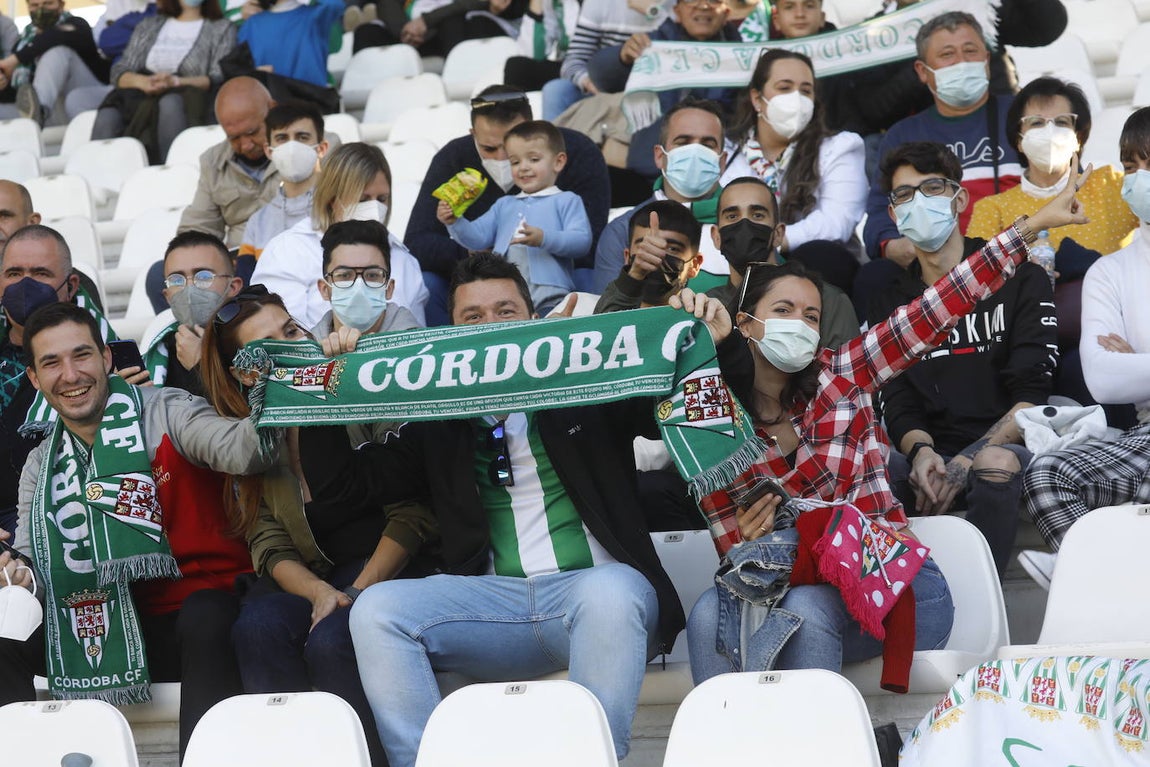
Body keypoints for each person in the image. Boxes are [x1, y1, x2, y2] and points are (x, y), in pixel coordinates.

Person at [285, 253, 752, 767]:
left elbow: (696, 401)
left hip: (595, 598)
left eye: (505, 312)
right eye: (472, 319)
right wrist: (321, 391)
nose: (490, 329)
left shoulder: (588, 388)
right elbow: (344, 488)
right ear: (450, 333)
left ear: (533, 320)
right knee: (376, 611)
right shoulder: (438, 419)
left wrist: (721, 345)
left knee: (613, 591)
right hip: (491, 608)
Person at [686, 152, 1091, 685]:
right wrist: (691, 344)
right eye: (783, 312)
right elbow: (740, 556)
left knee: (803, 607)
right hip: (790, 586)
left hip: (904, 584)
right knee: (708, 614)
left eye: (812, 316)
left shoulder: (843, 373)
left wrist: (1031, 225)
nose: (802, 325)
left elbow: (942, 303)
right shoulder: (715, 416)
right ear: (745, 324)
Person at [2, 300, 274, 758]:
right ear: (34, 379)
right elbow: (36, 569)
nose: (70, 375)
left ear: (107, 358)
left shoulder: (168, 409)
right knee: (4, 635)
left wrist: (272, 386)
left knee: (205, 614)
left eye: (82, 355)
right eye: (51, 363)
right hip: (98, 625)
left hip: (199, 609)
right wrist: (17, 573)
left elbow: (242, 452)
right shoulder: (39, 462)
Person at [199, 283, 433, 767]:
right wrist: (321, 595)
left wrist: (356, 591)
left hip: (385, 566)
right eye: (271, 346)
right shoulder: (254, 431)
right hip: (315, 576)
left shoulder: (351, 383)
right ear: (247, 374)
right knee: (257, 627)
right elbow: (267, 540)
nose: (293, 347)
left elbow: (414, 512)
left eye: (292, 330)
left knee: (333, 640)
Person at [867, 141, 1057, 577]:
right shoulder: (889, 302)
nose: (918, 203)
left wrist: (968, 458)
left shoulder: (1019, 277)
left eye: (931, 188)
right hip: (927, 453)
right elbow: (895, 398)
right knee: (870, 469)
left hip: (1008, 443)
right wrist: (921, 454)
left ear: (959, 198)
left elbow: (1032, 390)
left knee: (994, 465)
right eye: (904, 195)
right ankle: (909, 597)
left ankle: (980, 595)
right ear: (893, 215)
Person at [1019, 107, 1150, 588]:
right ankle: (1103, 581)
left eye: (1149, 163)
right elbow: (1103, 379)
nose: (1139, 179)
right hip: (1144, 435)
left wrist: (1136, 356)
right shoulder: (1108, 273)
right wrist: (1124, 365)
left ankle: (1082, 574)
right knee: (1047, 474)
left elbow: (1124, 372)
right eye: (1131, 167)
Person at [405, 84, 610, 325]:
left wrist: (544, 238)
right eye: (489, 148)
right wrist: (472, 249)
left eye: (515, 148)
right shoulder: (454, 157)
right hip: (481, 283)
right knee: (428, 284)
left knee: (588, 279)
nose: (505, 159)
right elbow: (418, 243)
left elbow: (590, 243)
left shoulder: (577, 151)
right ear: (472, 135)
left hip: (558, 281)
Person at [862, 12, 1023, 266]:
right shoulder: (902, 135)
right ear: (922, 71)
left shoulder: (1023, 115)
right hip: (930, 269)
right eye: (947, 54)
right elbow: (880, 214)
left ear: (986, 60)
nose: (961, 62)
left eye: (970, 51)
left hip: (1019, 256)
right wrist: (895, 247)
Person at [0, 223, 116, 537]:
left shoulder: (102, 359)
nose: (25, 285)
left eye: (40, 273)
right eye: (13, 273)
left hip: (55, 513)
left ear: (71, 284)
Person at [724, 49, 866, 294]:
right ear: (757, 99)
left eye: (805, 90)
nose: (796, 99)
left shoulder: (840, 147)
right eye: (784, 88)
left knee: (820, 255)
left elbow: (836, 221)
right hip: (742, 268)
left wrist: (771, 242)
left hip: (818, 270)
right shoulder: (728, 156)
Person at [252, 141, 429, 327]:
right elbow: (281, 336)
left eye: (382, 199)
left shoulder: (403, 259)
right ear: (332, 200)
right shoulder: (288, 251)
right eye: (363, 199)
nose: (375, 208)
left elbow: (416, 337)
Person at [968, 77, 1136, 261]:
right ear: (1019, 140)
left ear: (1078, 138)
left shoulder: (1110, 185)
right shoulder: (993, 209)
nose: (1049, 131)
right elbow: (975, 275)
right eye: (1036, 123)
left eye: (1062, 122)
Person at [438, 119, 592, 314]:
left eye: (534, 160)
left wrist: (543, 238)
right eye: (515, 162)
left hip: (551, 298)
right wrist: (455, 221)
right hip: (506, 301)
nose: (523, 168)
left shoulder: (567, 200)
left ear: (558, 161)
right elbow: (477, 239)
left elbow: (581, 241)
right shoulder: (504, 204)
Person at [592, 97, 738, 295]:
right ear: (659, 156)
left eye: (707, 144)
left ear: (722, 162)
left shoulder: (745, 225)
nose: (695, 152)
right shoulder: (622, 231)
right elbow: (607, 318)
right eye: (683, 142)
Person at [711, 176, 859, 349]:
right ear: (716, 237)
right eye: (732, 216)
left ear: (779, 234)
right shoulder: (708, 308)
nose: (745, 224)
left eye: (757, 215)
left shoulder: (828, 301)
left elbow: (845, 372)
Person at [90, 0, 236, 163]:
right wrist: (142, 82)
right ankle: (99, 177)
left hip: (189, 93)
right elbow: (120, 70)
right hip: (141, 91)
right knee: (108, 113)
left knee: (170, 104)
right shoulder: (149, 24)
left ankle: (170, 172)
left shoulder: (221, 28)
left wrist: (175, 81)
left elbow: (217, 76)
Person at [543, 0, 739, 121]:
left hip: (654, 93)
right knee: (556, 89)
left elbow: (685, 30)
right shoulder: (599, 3)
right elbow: (574, 60)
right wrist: (590, 82)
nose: (703, 5)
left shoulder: (677, 6)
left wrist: (653, 10)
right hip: (602, 86)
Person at [178, 76, 279, 249]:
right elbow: (199, 227)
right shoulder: (213, 162)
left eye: (252, 132)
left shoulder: (310, 148)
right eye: (234, 138)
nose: (246, 145)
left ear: (272, 109)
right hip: (240, 263)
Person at [142, 231, 244, 394]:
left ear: (233, 287)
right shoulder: (159, 358)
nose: (189, 289)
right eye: (177, 280)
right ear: (167, 296)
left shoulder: (255, 343)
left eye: (203, 277)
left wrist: (202, 364)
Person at [239, 101, 329, 261]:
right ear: (268, 151)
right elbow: (248, 283)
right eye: (282, 138)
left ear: (321, 148)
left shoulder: (339, 209)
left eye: (302, 137)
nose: (292, 147)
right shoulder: (257, 223)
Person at [312, 219, 420, 344]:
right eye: (344, 275)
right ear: (324, 289)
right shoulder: (306, 353)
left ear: (389, 288)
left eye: (372, 275)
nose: (359, 286)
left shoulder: (421, 349)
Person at [0, 0, 109, 125]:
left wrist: (15, 59)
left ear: (61, 5)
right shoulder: (23, 43)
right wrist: (4, 84)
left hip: (86, 100)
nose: (41, 10)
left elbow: (54, 37)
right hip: (53, 114)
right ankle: (36, 114)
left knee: (56, 52)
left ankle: (39, 109)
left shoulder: (78, 25)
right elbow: (20, 95)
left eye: (48, 3)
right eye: (34, 5)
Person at [594, 199, 703, 313]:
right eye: (646, 246)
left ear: (694, 265)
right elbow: (606, 326)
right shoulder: (587, 307)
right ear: (627, 257)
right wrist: (634, 276)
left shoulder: (702, 316)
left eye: (672, 249)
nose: (655, 255)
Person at [352, 0, 526, 57]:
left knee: (453, 23)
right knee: (366, 32)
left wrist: (427, 21)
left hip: (452, 30)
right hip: (409, 35)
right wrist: (404, 30)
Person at [237, 0, 342, 88]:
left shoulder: (315, 18)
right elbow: (239, 70)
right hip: (268, 106)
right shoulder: (251, 25)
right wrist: (253, 74)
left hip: (308, 105)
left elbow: (334, 4)